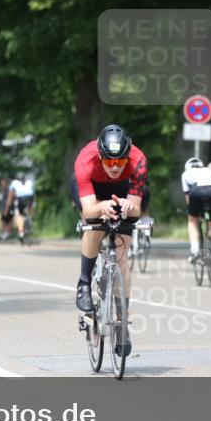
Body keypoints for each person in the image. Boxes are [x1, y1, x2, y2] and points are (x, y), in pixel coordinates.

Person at [72, 124, 147, 358]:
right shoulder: (86, 160)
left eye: (120, 162)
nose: (115, 167)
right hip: (92, 190)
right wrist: (100, 208)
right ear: (101, 156)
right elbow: (89, 209)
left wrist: (128, 206)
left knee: (122, 254)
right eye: (110, 162)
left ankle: (122, 321)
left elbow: (136, 209)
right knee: (94, 224)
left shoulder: (138, 161)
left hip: (122, 189)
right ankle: (84, 283)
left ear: (128, 158)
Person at [182, 158, 211, 263]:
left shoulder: (185, 174)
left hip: (197, 191)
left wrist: (192, 211)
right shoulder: (208, 170)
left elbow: (188, 199)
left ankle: (194, 251)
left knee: (192, 221)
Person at [7, 173, 35, 243]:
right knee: (30, 207)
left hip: (21, 198)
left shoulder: (14, 182)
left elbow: (10, 196)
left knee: (20, 215)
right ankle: (30, 219)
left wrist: (9, 204)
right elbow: (33, 193)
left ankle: (21, 233)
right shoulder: (30, 182)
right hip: (30, 197)